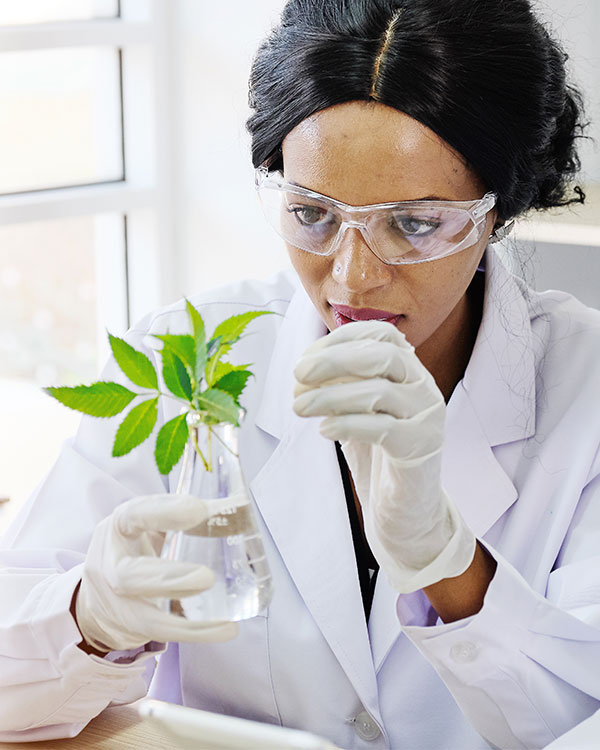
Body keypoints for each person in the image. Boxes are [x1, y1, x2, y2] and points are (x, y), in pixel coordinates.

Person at [1, 0, 599, 747]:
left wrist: (448, 566)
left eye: (412, 224)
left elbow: (579, 721)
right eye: (313, 214)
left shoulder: (589, 389)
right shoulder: (187, 359)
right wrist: (88, 620)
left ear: (499, 208)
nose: (352, 278)